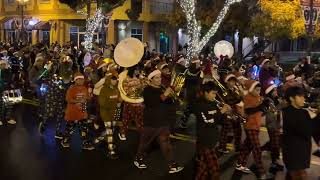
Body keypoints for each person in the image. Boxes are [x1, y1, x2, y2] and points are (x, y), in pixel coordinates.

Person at [134, 70, 184, 174]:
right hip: (151, 123)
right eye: (156, 78)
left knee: (166, 144)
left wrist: (173, 95)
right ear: (151, 79)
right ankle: (138, 159)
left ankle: (172, 165)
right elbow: (152, 103)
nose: (159, 79)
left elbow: (169, 103)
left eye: (160, 77)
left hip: (163, 122)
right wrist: (165, 95)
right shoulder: (147, 90)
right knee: (144, 144)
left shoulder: (162, 88)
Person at [235, 80, 274, 180]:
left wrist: (265, 106)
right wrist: (261, 106)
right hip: (250, 126)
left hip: (256, 126)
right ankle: (261, 172)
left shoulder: (258, 97)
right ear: (251, 89)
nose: (258, 91)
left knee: (247, 146)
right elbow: (248, 110)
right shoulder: (248, 97)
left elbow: (260, 111)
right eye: (256, 89)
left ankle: (239, 164)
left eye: (259, 90)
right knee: (257, 148)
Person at [194, 81, 231, 180]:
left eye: (215, 93)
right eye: (213, 93)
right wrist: (221, 111)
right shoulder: (199, 105)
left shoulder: (214, 103)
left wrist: (226, 114)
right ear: (206, 92)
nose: (215, 96)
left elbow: (219, 121)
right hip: (205, 140)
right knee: (214, 170)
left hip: (212, 139)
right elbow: (208, 121)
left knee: (203, 169)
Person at [282, 86, 318, 180]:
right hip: (294, 156)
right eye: (300, 96)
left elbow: (313, 130)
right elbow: (306, 130)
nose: (303, 98)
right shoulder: (288, 114)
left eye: (303, 96)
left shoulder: (303, 112)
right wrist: (316, 117)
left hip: (302, 154)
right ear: (291, 98)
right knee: (300, 176)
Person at [61, 72, 94, 150]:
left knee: (84, 129)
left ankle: (86, 143)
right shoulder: (71, 89)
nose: (82, 81)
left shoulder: (84, 88)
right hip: (72, 113)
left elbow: (87, 98)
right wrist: (78, 101)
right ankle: (65, 141)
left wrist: (90, 96)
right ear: (76, 80)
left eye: (82, 79)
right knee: (69, 129)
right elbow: (68, 99)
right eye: (80, 79)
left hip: (82, 113)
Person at [98, 75, 121, 159]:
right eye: (112, 80)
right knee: (110, 131)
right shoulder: (104, 90)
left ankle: (103, 138)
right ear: (108, 80)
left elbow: (119, 99)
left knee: (112, 129)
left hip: (114, 113)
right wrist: (114, 103)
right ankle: (111, 150)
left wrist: (119, 100)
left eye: (115, 80)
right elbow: (102, 103)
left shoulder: (116, 89)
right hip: (106, 113)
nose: (114, 81)